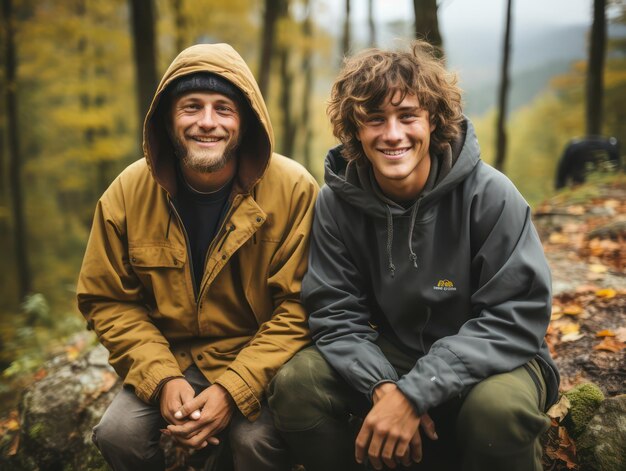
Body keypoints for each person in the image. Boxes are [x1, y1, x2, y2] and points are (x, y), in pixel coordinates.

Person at [268, 40, 559, 471]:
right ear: (355, 129)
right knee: (297, 385)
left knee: (497, 413)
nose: (392, 134)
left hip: (495, 356)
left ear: (434, 121)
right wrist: (384, 388)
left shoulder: (491, 196)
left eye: (408, 116)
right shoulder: (335, 203)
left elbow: (514, 316)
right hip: (397, 352)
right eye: (374, 120)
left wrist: (415, 392)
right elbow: (334, 312)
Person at [77, 43, 318, 471]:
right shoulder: (127, 194)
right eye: (192, 107)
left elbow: (302, 305)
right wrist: (161, 378)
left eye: (223, 108)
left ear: (245, 121)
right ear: (169, 120)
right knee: (119, 435)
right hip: (171, 358)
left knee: (254, 443)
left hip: (258, 360)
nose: (207, 123)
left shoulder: (294, 189)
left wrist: (233, 388)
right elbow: (108, 299)